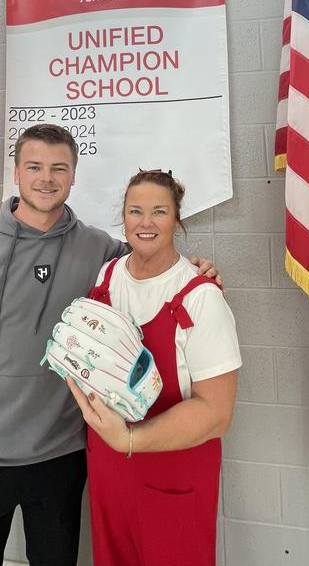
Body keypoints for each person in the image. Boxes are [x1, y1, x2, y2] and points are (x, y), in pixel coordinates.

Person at [0, 124, 220, 566]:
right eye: (34, 167)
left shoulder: (101, 251)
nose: (46, 178)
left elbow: (151, 262)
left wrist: (195, 271)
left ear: (74, 175)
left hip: (62, 458)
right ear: (16, 173)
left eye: (59, 168)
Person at [68, 169, 241, 566]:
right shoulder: (107, 276)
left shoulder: (200, 297)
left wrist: (129, 439)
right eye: (135, 211)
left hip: (173, 473)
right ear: (123, 217)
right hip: (109, 470)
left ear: (177, 219)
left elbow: (217, 414)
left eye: (159, 211)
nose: (145, 222)